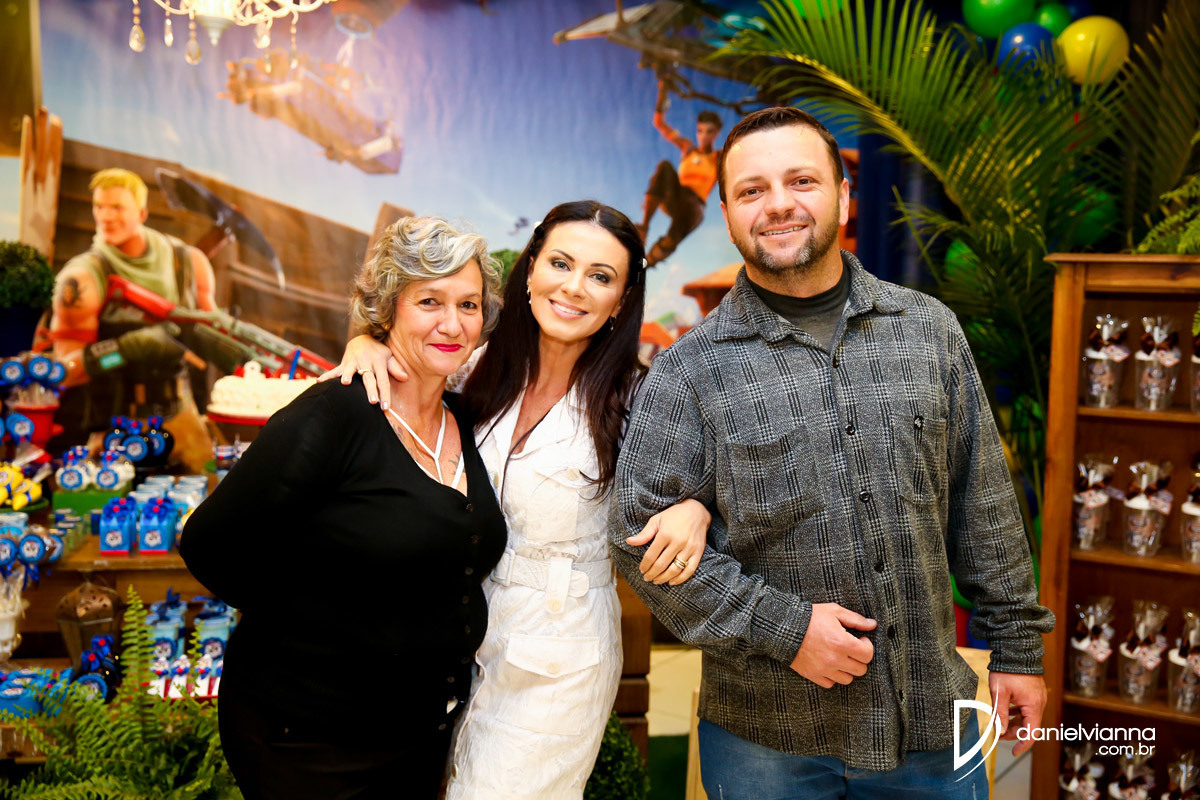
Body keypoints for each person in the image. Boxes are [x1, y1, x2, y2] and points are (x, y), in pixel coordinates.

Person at [610, 107, 1056, 798]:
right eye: (752, 190)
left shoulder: (928, 331)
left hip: (930, 727)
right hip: (766, 740)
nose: (778, 204)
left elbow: (983, 501)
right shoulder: (690, 369)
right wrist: (786, 631)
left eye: (801, 181)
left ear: (844, 197)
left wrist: (1018, 648)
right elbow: (636, 539)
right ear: (726, 214)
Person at [328, 201, 710, 799]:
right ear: (530, 270)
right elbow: (400, 359)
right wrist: (366, 343)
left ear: (621, 299)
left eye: (600, 276)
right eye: (560, 263)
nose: (574, 287)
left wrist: (699, 506)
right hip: (451, 638)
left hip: (558, 656)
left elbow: (718, 470)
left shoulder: (638, 398)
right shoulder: (475, 368)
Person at [181, 217, 507, 799]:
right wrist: (318, 625)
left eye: (469, 305)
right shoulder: (333, 415)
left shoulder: (466, 419)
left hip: (418, 735)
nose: (452, 323)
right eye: (429, 301)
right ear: (388, 309)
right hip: (310, 740)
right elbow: (209, 545)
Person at [38, 168, 216, 437]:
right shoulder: (82, 279)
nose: (105, 217)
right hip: (114, 427)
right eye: (99, 206)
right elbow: (65, 373)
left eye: (117, 207)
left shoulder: (189, 263)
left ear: (141, 213)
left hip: (182, 417)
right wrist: (123, 351)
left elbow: (212, 339)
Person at [640, 79, 723, 267]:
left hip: (694, 206)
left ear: (716, 133)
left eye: (709, 132)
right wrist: (663, 92)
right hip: (675, 197)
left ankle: (647, 263)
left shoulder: (719, 157)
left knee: (675, 233)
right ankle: (644, 227)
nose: (703, 136)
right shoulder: (688, 148)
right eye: (700, 131)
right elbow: (659, 123)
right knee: (665, 166)